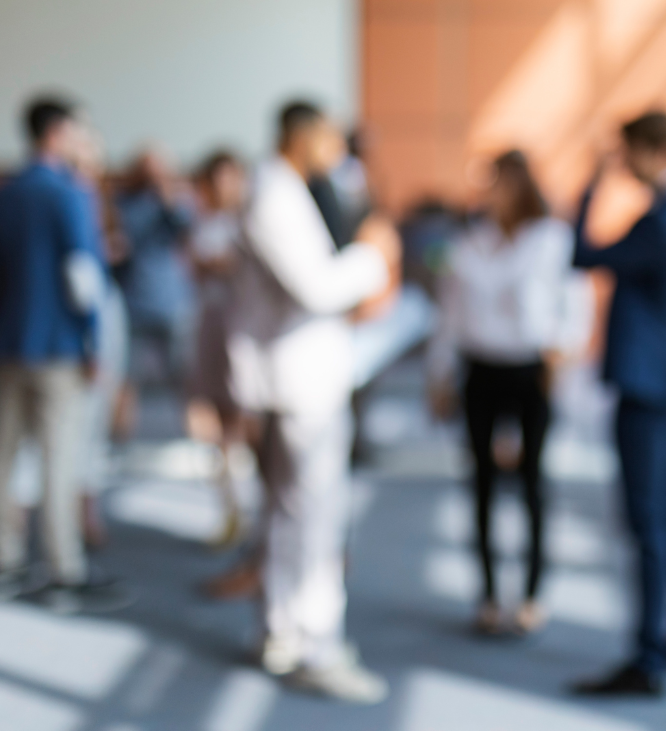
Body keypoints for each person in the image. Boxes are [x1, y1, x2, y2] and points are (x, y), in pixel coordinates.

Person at [226, 100, 399, 703]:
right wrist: (375, 256)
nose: (338, 150)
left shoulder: (283, 188)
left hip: (291, 376)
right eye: (330, 138)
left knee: (286, 512)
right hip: (300, 381)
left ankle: (281, 630)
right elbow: (318, 287)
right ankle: (316, 645)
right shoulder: (274, 194)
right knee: (314, 519)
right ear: (305, 137)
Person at [569, 112, 666, 697]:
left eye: (627, 152)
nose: (622, 163)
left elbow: (582, 255)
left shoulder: (663, 224)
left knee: (650, 520)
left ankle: (649, 656)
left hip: (650, 388)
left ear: (652, 151)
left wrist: (588, 186)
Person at [0, 97, 130, 613]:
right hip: (58, 347)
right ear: (60, 133)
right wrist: (90, 340)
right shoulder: (69, 194)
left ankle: (3, 561)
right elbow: (83, 277)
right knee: (60, 457)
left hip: (4, 345)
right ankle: (63, 569)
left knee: (0, 455)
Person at [427, 150, 588, 637]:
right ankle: (490, 594)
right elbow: (450, 316)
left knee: (534, 484)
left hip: (531, 369)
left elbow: (574, 305)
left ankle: (533, 593)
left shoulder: (551, 240)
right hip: (481, 369)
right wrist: (440, 375)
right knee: (480, 483)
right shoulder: (470, 242)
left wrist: (564, 355)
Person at [68, 121, 131, 551]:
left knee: (95, 422)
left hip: (104, 313)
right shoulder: (62, 201)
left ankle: (86, 513)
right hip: (76, 324)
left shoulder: (99, 204)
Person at [186, 150, 249, 548]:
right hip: (213, 329)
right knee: (214, 422)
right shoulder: (204, 225)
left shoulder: (249, 223)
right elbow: (200, 267)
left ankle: (248, 507)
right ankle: (230, 507)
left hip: (244, 332)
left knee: (245, 422)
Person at [115, 147, 195, 433]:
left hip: (173, 302)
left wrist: (167, 192)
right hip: (133, 301)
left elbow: (187, 227)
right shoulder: (122, 202)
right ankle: (120, 441)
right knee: (127, 379)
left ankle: (193, 439)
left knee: (186, 378)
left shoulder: (177, 200)